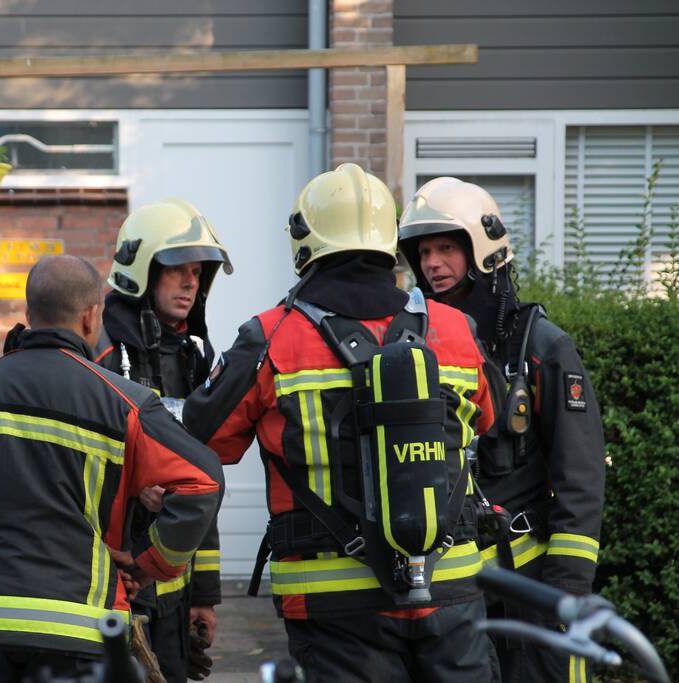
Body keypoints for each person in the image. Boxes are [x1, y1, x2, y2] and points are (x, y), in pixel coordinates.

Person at [183, 163, 498, 683]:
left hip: (331, 595)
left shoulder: (269, 336)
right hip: (451, 584)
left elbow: (201, 441)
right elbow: (488, 420)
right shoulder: (455, 328)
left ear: (304, 243)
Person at [0, 255, 225, 683]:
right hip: (81, 631)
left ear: (29, 315)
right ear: (90, 317)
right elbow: (204, 480)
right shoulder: (125, 404)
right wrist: (149, 562)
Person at [399, 177, 606, 683]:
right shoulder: (414, 346)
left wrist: (566, 591)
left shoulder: (543, 347)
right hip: (448, 587)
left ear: (484, 248)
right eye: (423, 251)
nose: (431, 264)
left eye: (446, 247)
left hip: (531, 583)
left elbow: (580, 478)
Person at [95, 198, 231, 682]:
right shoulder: (102, 355)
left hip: (172, 592)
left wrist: (205, 598)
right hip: (113, 591)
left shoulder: (192, 358)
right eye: (177, 270)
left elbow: (204, 482)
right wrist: (134, 485)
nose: (191, 283)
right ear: (143, 272)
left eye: (198, 272)